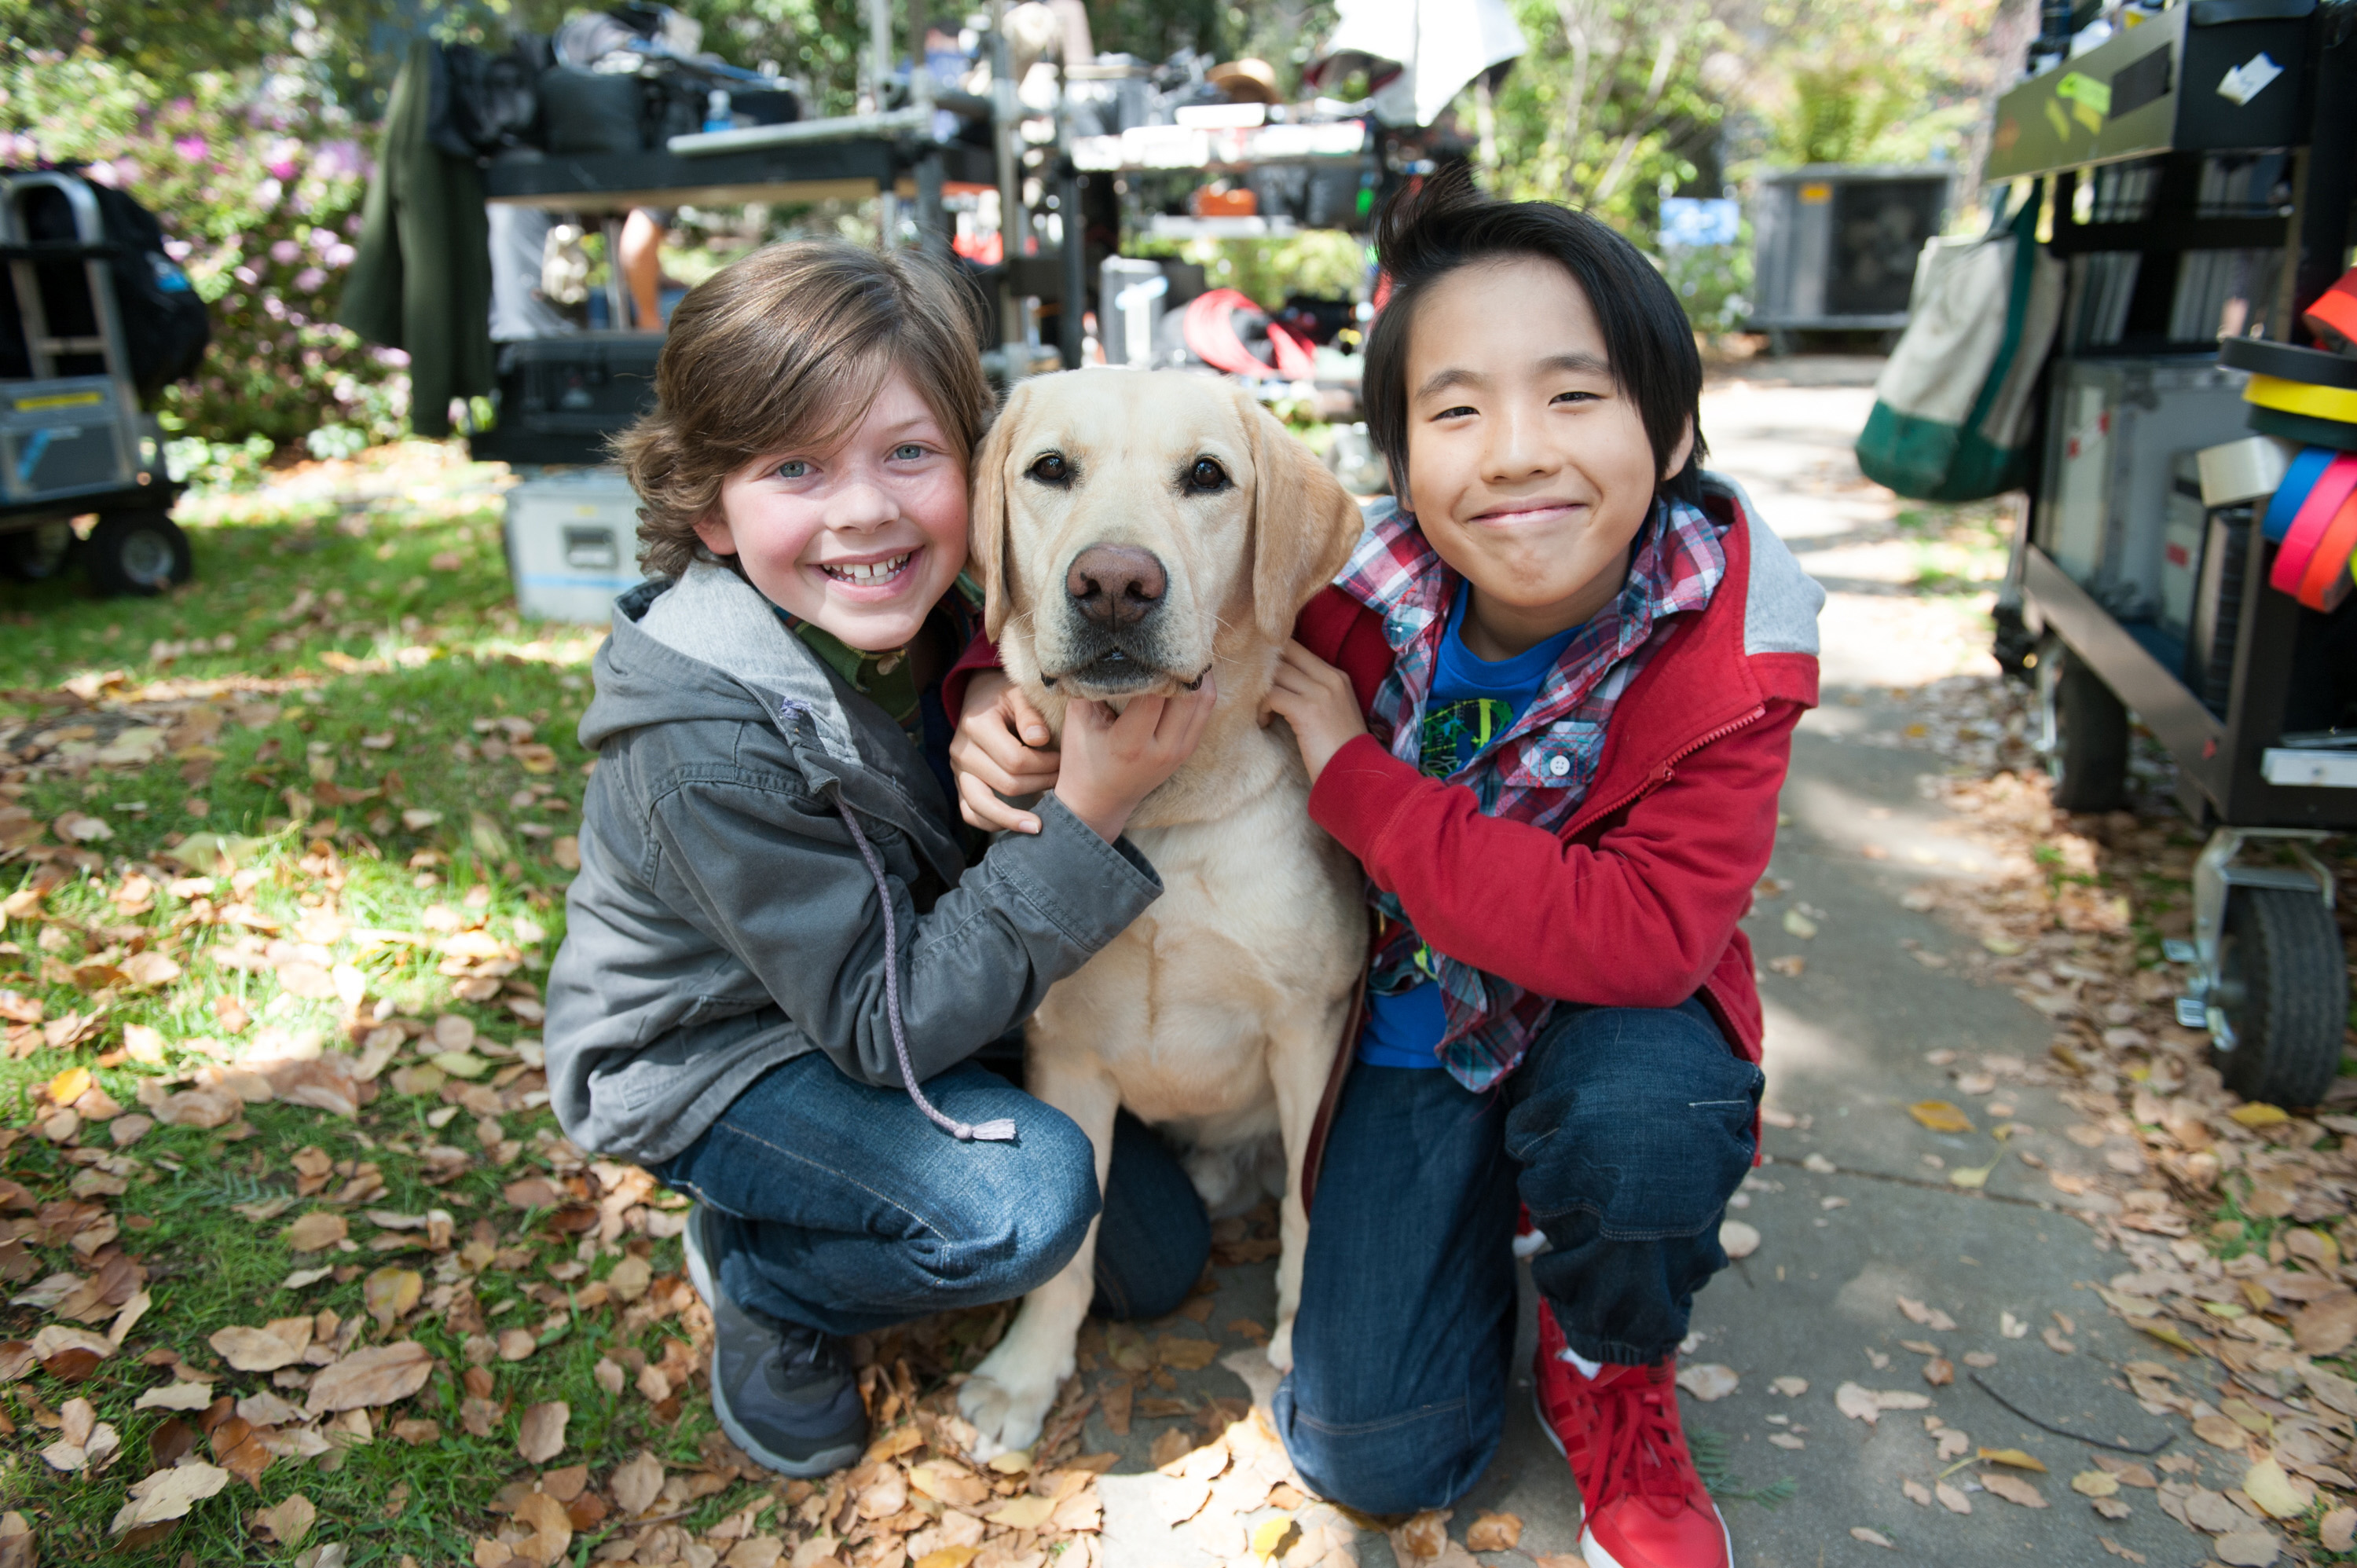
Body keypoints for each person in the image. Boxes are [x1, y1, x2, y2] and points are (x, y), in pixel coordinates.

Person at [952, 169, 1822, 1568]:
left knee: (1649, 1117)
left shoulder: (1728, 654)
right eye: (1459, 408)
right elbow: (1056, 597)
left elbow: (1654, 935)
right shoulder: (1357, 601)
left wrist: (1356, 777)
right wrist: (979, 695)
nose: (1519, 451)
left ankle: (1609, 1353)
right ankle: (1455, 1246)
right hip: (1418, 1046)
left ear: (1669, 430)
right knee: (1371, 1454)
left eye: (1577, 396)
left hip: (1598, 1023)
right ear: (1403, 457)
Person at [542, 239, 1221, 1479]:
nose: (865, 509)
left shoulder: (938, 601)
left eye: (909, 453)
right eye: (795, 467)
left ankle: (854, 1211)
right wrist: (1088, 814)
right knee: (1026, 1208)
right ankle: (769, 1282)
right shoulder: (701, 747)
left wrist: (974, 691)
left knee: (1158, 1258)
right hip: (726, 1052)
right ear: (707, 506)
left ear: (977, 469)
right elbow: (883, 1027)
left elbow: (977, 657)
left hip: (905, 989)